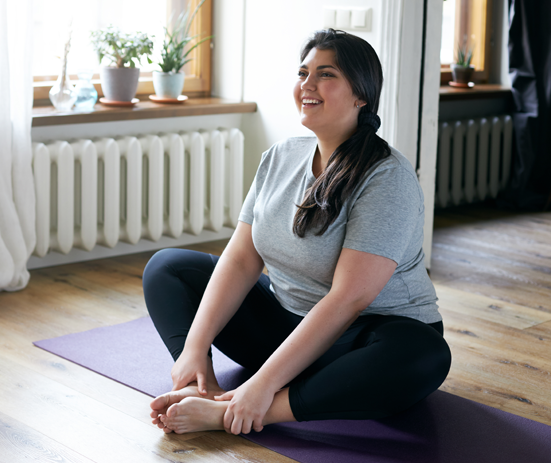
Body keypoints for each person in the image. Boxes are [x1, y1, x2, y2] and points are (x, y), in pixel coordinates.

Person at [142, 28, 451, 436]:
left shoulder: (387, 177)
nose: (307, 84)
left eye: (326, 75)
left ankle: (242, 411)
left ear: (361, 94)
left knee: (424, 356)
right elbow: (240, 257)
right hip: (284, 326)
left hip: (358, 339)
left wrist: (259, 389)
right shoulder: (281, 156)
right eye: (303, 73)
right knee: (169, 266)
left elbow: (347, 300)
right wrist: (194, 349)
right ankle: (202, 386)